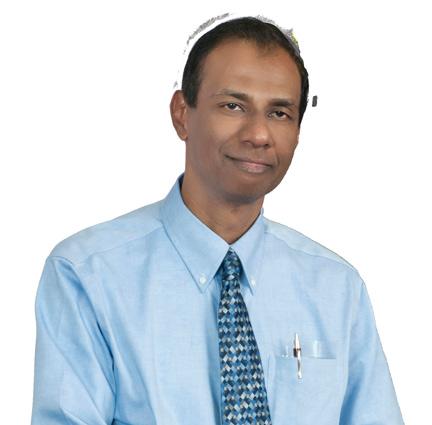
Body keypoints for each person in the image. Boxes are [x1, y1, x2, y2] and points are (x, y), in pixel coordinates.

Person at [30, 13, 404, 425]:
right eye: (233, 106)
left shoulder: (337, 289)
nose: (258, 134)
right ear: (181, 114)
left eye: (280, 113)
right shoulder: (89, 276)